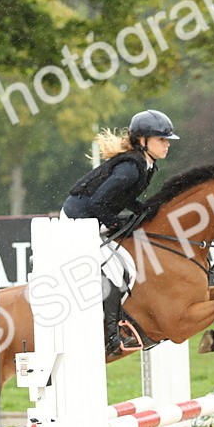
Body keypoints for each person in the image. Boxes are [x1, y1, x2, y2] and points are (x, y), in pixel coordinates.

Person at [62, 109, 179, 357]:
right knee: (116, 273)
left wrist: (142, 209)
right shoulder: (130, 169)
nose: (167, 145)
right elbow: (97, 204)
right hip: (78, 221)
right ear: (142, 141)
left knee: (124, 265)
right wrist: (115, 223)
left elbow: (122, 198)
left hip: (92, 217)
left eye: (167, 140)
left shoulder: (145, 164)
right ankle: (110, 336)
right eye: (161, 140)